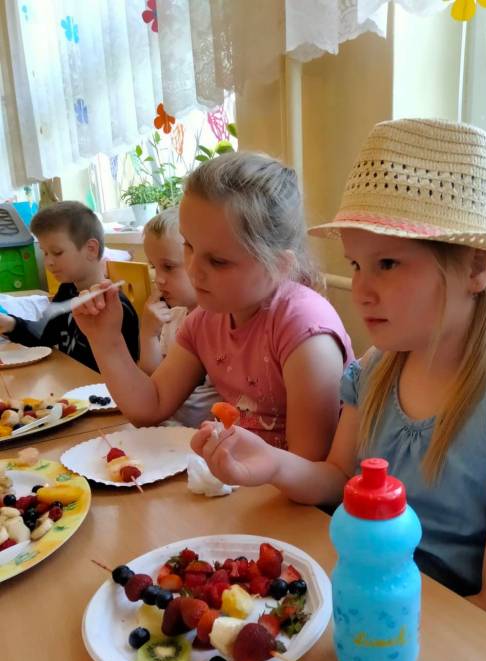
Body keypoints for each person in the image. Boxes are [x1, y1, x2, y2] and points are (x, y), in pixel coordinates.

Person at [193, 119, 486, 641]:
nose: (361, 291)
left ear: (477, 268)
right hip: (361, 601)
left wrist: (370, 619)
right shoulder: (380, 366)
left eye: (387, 263)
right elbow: (339, 478)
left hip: (447, 643)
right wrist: (274, 464)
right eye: (356, 264)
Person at [73, 152, 354, 459]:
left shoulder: (304, 331)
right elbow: (151, 407)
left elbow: (308, 464)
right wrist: (106, 341)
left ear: (279, 266)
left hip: (284, 485)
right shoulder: (207, 318)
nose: (193, 269)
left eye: (218, 261)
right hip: (238, 476)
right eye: (189, 245)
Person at [0, 201, 139, 371]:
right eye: (45, 253)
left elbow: (124, 372)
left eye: (57, 252)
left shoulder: (114, 306)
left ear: (91, 249)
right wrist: (9, 324)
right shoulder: (67, 291)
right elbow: (44, 335)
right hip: (70, 382)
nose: (48, 262)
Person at [139, 207, 220, 427]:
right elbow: (154, 385)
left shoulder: (219, 321)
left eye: (168, 267)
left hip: (202, 434)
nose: (159, 279)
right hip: (168, 428)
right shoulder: (173, 317)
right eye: (154, 267)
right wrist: (148, 335)